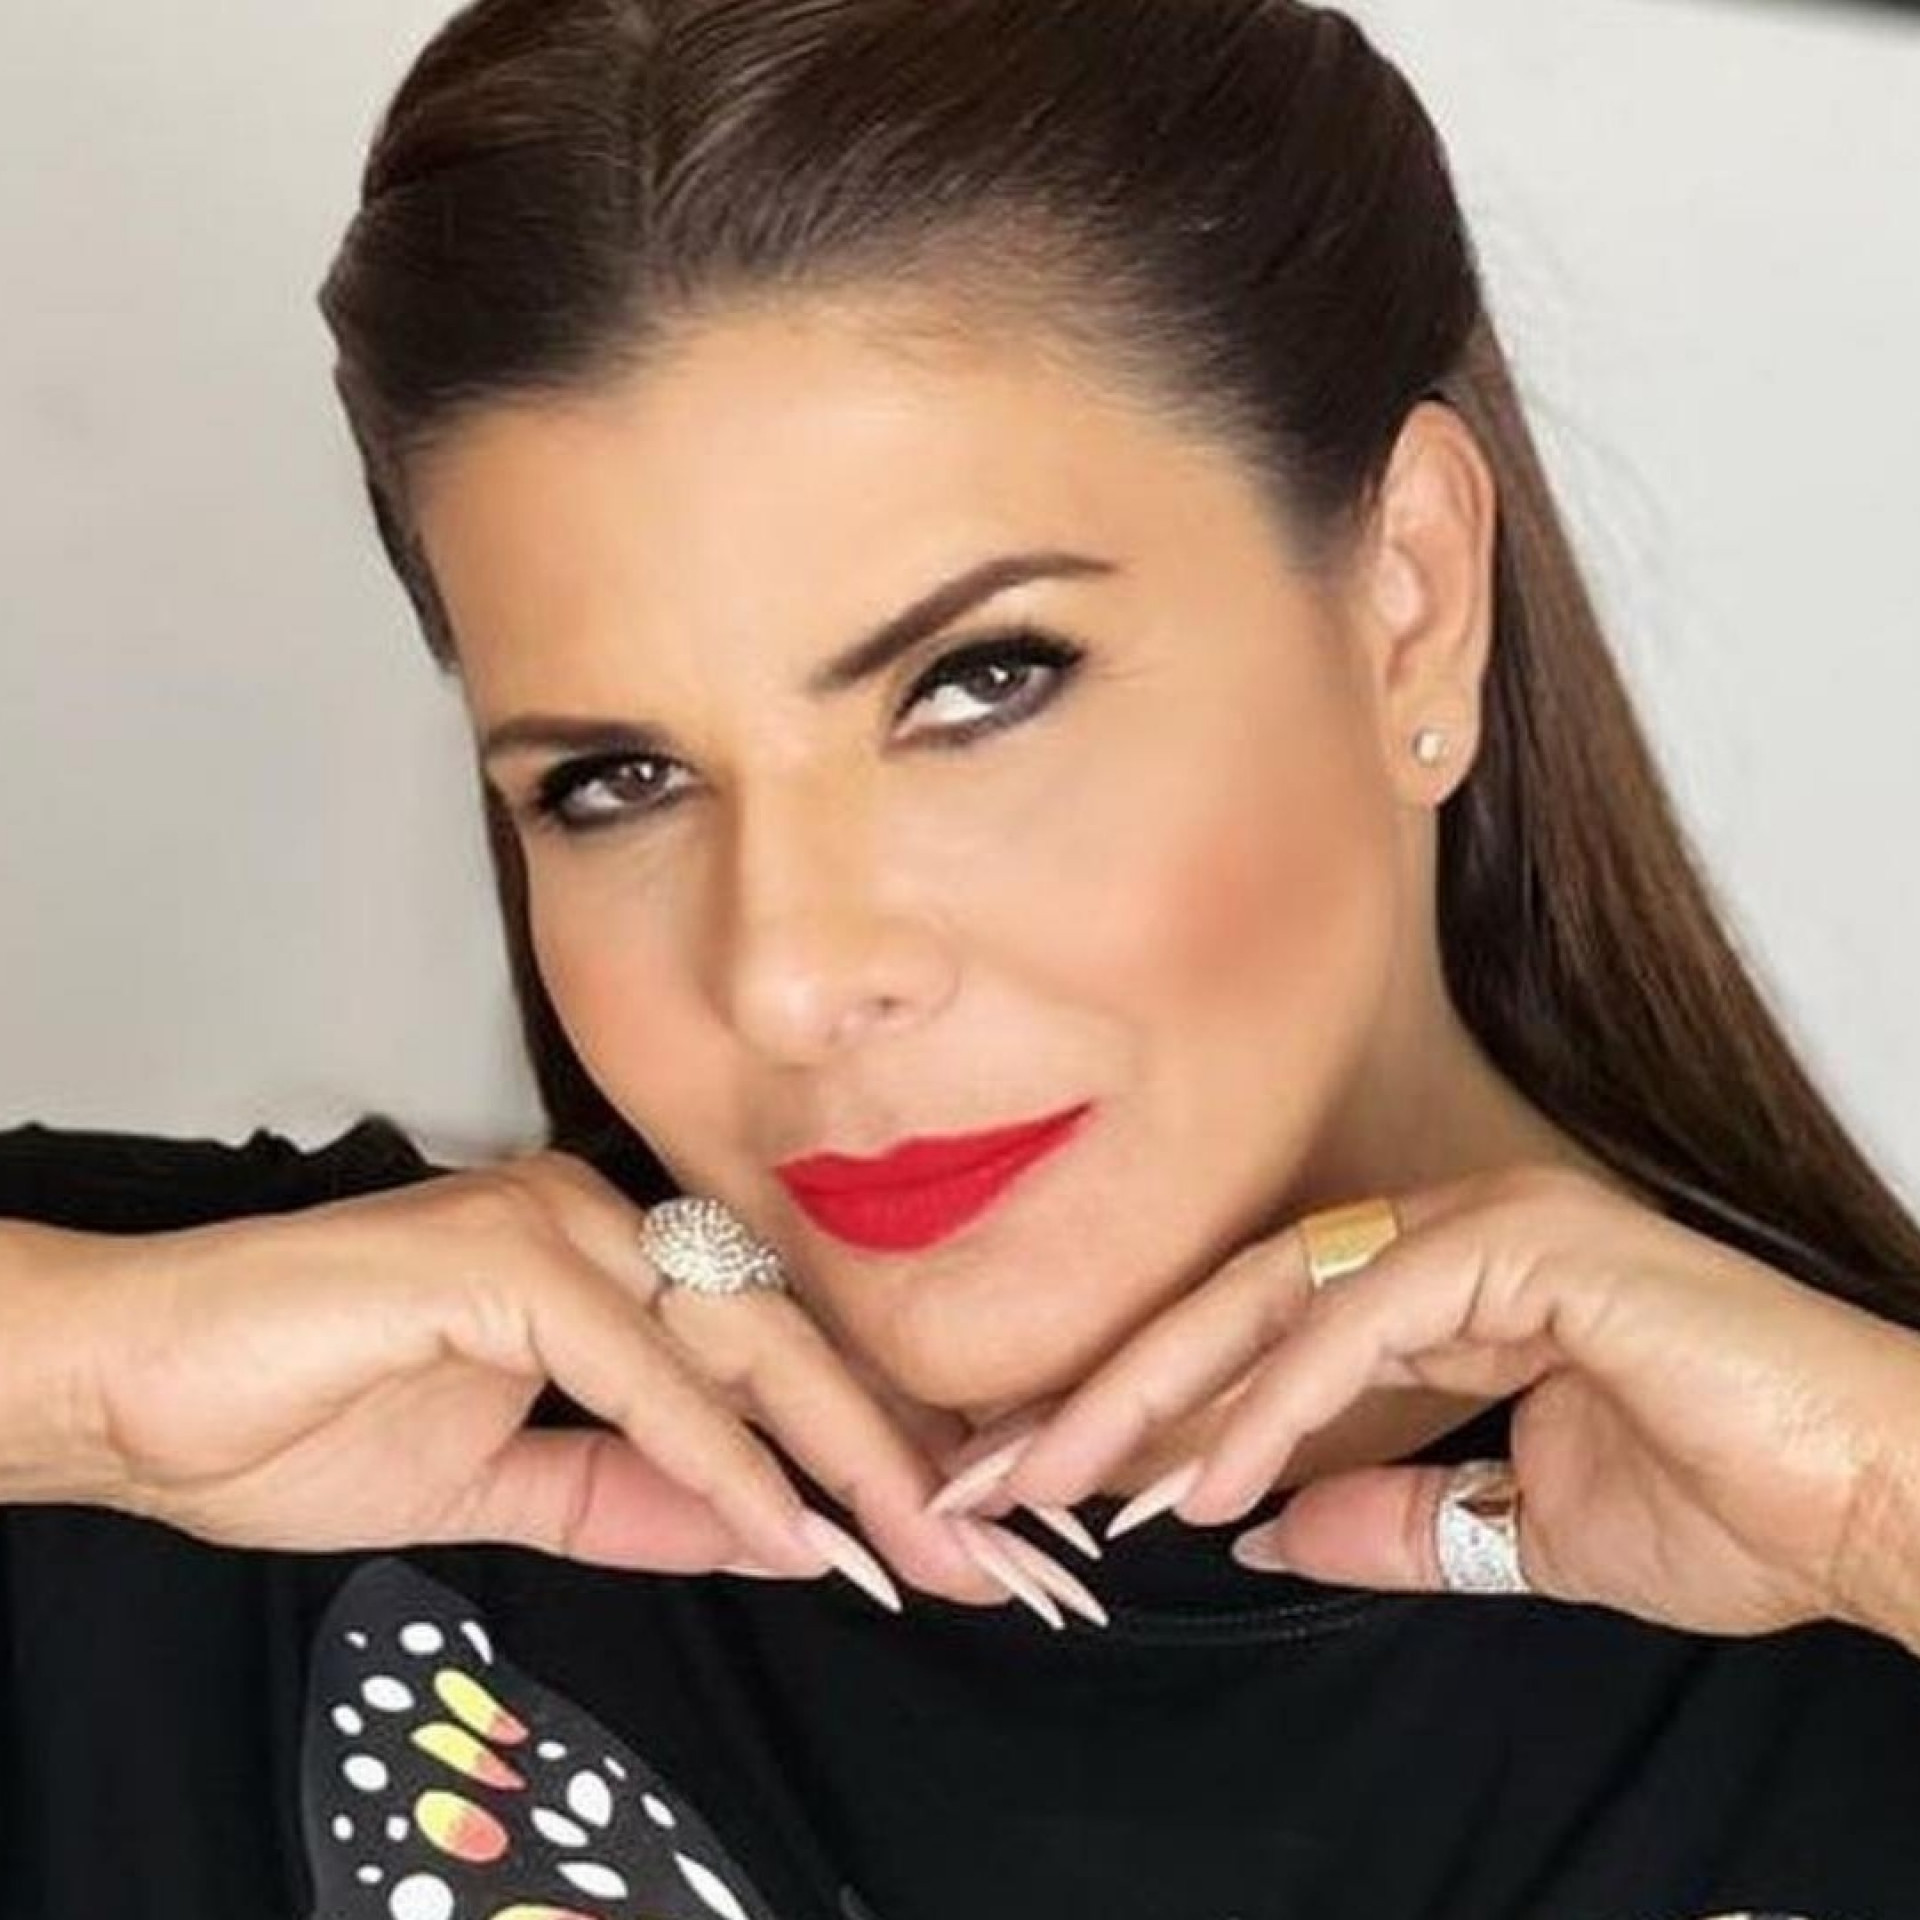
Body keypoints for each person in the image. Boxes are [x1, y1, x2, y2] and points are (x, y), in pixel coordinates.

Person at [3, 0, 1920, 1916]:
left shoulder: (1854, 1554)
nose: (789, 975)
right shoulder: (231, 1449)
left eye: (980, 683)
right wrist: (84, 1396)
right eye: (616, 781)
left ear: (1409, 602)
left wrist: (1879, 1507)